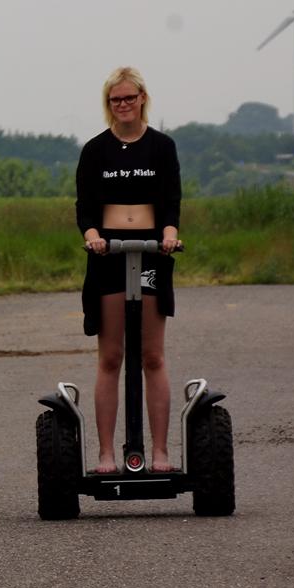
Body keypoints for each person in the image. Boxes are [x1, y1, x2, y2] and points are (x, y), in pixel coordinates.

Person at [75, 66, 182, 474]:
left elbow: (171, 199)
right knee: (111, 356)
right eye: (115, 99)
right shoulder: (96, 150)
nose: (123, 104)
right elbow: (85, 205)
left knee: (152, 355)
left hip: (152, 251)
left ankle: (160, 453)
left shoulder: (161, 147)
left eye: (129, 98)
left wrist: (170, 233)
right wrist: (91, 234)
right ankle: (105, 454)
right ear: (109, 105)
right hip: (108, 255)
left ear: (142, 99)